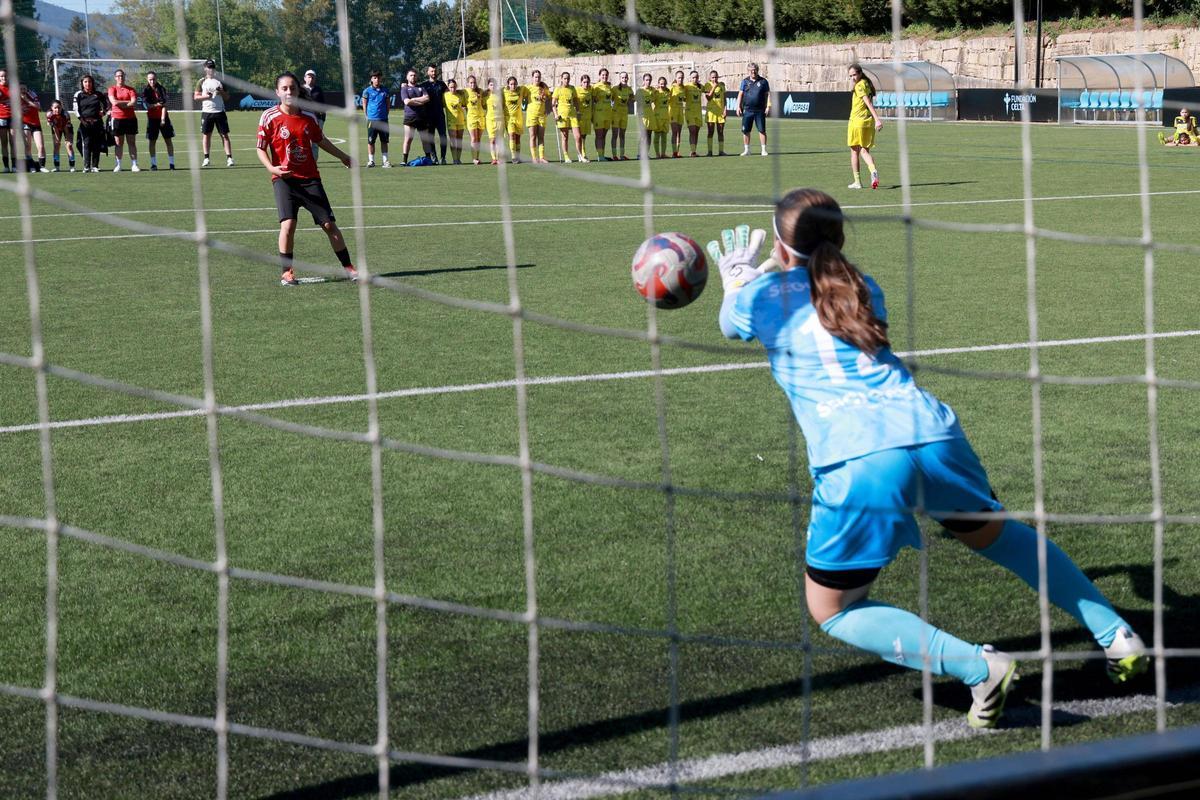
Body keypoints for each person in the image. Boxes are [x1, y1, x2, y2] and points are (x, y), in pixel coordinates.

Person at [710, 188, 1149, 729]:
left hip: (858, 459)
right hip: (932, 434)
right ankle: (1118, 635)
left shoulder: (760, 298)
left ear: (779, 247)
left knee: (835, 609)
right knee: (1002, 536)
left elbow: (731, 325)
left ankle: (978, 667)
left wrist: (737, 279)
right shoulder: (863, 288)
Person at [256, 71, 357, 287]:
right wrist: (272, 168)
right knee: (288, 224)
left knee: (329, 225)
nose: (289, 92)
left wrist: (344, 157)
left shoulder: (308, 117)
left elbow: (321, 141)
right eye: (284, 88)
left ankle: (349, 268)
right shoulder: (269, 117)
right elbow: (260, 149)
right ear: (277, 92)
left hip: (310, 179)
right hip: (284, 180)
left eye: (292, 88)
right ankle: (287, 272)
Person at [846, 63, 883, 189]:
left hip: (857, 121)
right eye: (850, 76)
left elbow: (867, 102)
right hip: (868, 122)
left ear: (860, 73)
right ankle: (873, 171)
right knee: (864, 151)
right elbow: (852, 88)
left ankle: (857, 182)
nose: (852, 78)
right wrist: (875, 120)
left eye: (854, 75)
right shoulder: (866, 83)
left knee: (854, 152)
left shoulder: (860, 85)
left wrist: (878, 119)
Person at [194, 59, 233, 167]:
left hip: (219, 111)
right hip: (207, 112)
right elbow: (196, 97)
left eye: (212, 67)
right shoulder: (201, 81)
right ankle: (206, 158)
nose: (210, 69)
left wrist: (221, 92)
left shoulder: (220, 81)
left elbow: (227, 97)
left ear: (214, 69)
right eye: (208, 67)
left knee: (224, 135)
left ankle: (229, 158)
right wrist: (206, 96)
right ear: (205, 68)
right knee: (206, 135)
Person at [73, 73, 109, 173]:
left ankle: (95, 166)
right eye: (85, 82)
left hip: (97, 123)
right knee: (86, 144)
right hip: (85, 123)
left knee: (96, 144)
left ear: (92, 83)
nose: (88, 84)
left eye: (89, 82)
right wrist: (82, 120)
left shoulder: (98, 94)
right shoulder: (78, 94)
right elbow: (76, 109)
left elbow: (107, 105)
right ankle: (86, 166)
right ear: (82, 83)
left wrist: (104, 112)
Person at [107, 69, 140, 172]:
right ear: (115, 77)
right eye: (118, 76)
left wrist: (121, 103)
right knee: (118, 143)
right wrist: (127, 103)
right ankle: (118, 165)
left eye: (122, 76)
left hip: (130, 119)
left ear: (124, 77)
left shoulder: (131, 89)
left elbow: (133, 102)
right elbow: (114, 102)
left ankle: (134, 164)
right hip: (117, 119)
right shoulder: (112, 89)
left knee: (132, 142)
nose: (120, 78)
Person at [142, 71, 175, 170]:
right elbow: (147, 105)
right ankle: (153, 164)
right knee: (152, 142)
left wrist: (163, 119)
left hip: (164, 118)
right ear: (147, 79)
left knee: (168, 140)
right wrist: (156, 105)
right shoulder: (145, 90)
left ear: (156, 79)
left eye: (154, 79)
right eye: (150, 79)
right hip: (152, 119)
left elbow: (164, 105)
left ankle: (172, 164)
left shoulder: (161, 89)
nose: (152, 81)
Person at [736, 62, 770, 157]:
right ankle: (747, 150)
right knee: (746, 130)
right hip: (747, 110)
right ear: (748, 71)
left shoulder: (763, 81)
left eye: (754, 70)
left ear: (757, 70)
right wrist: (738, 106)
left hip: (760, 110)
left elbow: (768, 94)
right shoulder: (744, 81)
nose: (753, 72)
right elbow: (740, 94)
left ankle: (763, 150)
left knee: (762, 130)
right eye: (751, 70)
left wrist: (768, 106)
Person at [361, 70, 392, 168]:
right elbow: (364, 104)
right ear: (371, 79)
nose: (377, 79)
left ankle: (385, 161)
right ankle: (371, 161)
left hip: (383, 119)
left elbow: (388, 105)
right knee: (371, 141)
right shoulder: (367, 91)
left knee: (384, 141)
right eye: (375, 78)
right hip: (372, 120)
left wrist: (385, 115)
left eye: (378, 77)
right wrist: (367, 116)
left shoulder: (385, 90)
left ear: (381, 78)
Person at [399, 68, 432, 163]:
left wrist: (413, 100)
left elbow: (427, 98)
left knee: (425, 139)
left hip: (422, 117)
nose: (413, 77)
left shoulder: (421, 88)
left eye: (414, 75)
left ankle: (428, 159)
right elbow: (407, 101)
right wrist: (420, 101)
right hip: (410, 117)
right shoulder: (404, 88)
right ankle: (404, 160)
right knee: (408, 138)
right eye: (411, 75)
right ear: (407, 77)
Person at [422, 64, 450, 164]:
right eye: (432, 71)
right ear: (428, 72)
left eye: (435, 71)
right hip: (429, 116)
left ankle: (443, 158)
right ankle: (434, 157)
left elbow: (450, 94)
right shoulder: (424, 85)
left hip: (440, 115)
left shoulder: (442, 84)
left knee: (443, 136)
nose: (434, 73)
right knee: (431, 137)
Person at [522, 69, 549, 164]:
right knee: (533, 136)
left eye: (539, 77)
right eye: (536, 77)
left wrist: (548, 109)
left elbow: (549, 98)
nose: (537, 79)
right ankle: (534, 157)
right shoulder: (527, 88)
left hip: (542, 116)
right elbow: (520, 96)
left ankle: (541, 157)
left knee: (541, 137)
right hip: (532, 115)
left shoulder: (544, 88)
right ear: (532, 78)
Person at [552, 71, 578, 164]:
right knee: (565, 137)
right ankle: (566, 156)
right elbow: (553, 104)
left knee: (577, 136)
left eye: (568, 78)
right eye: (565, 78)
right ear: (561, 79)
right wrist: (555, 114)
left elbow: (575, 100)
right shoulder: (557, 89)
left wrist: (577, 111)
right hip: (562, 116)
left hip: (572, 114)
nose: (567, 80)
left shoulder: (572, 88)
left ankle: (580, 155)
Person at [302, 70, 327, 161]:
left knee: (316, 141)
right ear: (304, 78)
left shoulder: (318, 90)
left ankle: (313, 161)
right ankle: (302, 160)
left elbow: (323, 105)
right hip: (303, 119)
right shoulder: (300, 89)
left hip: (317, 119)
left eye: (312, 77)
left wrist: (322, 119)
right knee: (302, 140)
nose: (310, 79)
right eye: (309, 77)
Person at [46, 99, 76, 172]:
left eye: (59, 107)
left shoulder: (66, 114)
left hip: (67, 128)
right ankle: (57, 167)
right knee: (56, 145)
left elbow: (66, 128)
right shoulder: (49, 114)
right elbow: (54, 127)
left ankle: (72, 167)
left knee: (69, 145)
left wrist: (68, 139)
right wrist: (57, 139)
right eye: (55, 108)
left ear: (61, 107)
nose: (57, 109)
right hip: (56, 128)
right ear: (51, 108)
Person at [703, 70, 727, 156]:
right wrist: (714, 87)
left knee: (720, 132)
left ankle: (721, 151)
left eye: (716, 77)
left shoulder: (722, 85)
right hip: (711, 112)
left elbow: (724, 99)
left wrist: (725, 110)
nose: (715, 78)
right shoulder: (707, 85)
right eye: (713, 77)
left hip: (720, 112)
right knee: (710, 132)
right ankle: (709, 151)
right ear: (710, 78)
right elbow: (708, 98)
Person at [464, 74, 486, 165]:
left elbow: (485, 102)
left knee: (478, 139)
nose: (473, 84)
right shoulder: (465, 92)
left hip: (480, 117)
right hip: (471, 118)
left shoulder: (480, 91)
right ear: (468, 83)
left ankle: (477, 157)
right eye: (471, 83)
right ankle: (474, 158)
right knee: (473, 138)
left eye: (474, 82)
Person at [443, 77, 466, 164]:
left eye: (454, 87)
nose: (453, 89)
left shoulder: (460, 95)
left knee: (459, 140)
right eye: (451, 87)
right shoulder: (445, 96)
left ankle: (459, 159)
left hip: (460, 120)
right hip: (451, 121)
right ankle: (454, 159)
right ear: (448, 87)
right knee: (453, 140)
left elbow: (465, 104)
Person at [502, 75, 524, 164]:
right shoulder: (503, 91)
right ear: (508, 85)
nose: (513, 86)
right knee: (512, 135)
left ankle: (518, 156)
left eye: (514, 84)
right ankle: (513, 156)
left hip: (518, 118)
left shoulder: (521, 90)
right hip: (509, 118)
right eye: (511, 84)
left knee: (518, 138)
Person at [611, 71, 633, 161]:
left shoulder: (629, 89)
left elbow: (632, 99)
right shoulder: (615, 89)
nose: (624, 79)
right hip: (615, 114)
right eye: (623, 77)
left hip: (624, 114)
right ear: (620, 79)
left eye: (626, 77)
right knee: (615, 134)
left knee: (622, 135)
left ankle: (622, 155)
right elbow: (610, 99)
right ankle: (614, 155)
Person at [591, 67, 612, 161]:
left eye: (606, 75)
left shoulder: (609, 86)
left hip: (608, 114)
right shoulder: (596, 87)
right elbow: (592, 100)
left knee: (604, 135)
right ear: (599, 76)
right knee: (599, 135)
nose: (605, 76)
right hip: (599, 114)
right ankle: (600, 156)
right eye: (603, 75)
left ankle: (602, 154)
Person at [572, 73, 593, 163]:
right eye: (584, 82)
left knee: (584, 137)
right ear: (581, 83)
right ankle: (580, 155)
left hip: (587, 117)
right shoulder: (576, 90)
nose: (586, 84)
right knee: (578, 137)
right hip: (578, 117)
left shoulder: (591, 90)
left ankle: (583, 154)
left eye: (587, 82)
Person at [485, 77, 505, 165]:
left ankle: (498, 158)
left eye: (494, 85)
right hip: (490, 120)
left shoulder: (500, 94)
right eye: (491, 85)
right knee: (492, 140)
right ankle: (494, 159)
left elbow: (504, 105)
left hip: (500, 120)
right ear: (488, 86)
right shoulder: (485, 95)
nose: (493, 86)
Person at [684, 70, 704, 157]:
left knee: (696, 132)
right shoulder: (686, 86)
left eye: (696, 77)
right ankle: (692, 151)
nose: (695, 79)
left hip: (698, 113)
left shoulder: (700, 87)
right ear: (690, 78)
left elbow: (708, 91)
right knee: (692, 131)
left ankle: (694, 151)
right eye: (693, 77)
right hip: (689, 112)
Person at [636, 73, 655, 158]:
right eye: (647, 80)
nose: (648, 81)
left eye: (650, 80)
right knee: (643, 136)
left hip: (650, 115)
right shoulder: (640, 91)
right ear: (643, 81)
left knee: (649, 135)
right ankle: (640, 154)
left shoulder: (653, 90)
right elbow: (637, 103)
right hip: (643, 116)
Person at [0, 69, 16, 172]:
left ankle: (14, 166)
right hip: (1, 117)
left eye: (5, 76)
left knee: (13, 142)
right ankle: (6, 167)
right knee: (4, 143)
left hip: (13, 118)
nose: (3, 78)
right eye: (1, 76)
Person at [652, 76, 671, 159]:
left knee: (664, 136)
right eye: (661, 83)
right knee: (657, 136)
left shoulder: (668, 92)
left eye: (664, 83)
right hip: (657, 117)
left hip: (666, 116)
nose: (662, 85)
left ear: (666, 84)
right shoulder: (656, 92)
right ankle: (657, 154)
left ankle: (663, 153)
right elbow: (651, 100)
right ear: (658, 84)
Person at [668, 70, 685, 157]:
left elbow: (684, 98)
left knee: (679, 133)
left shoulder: (683, 88)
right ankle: (674, 152)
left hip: (680, 112)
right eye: (679, 77)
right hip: (673, 113)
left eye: (682, 77)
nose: (681, 79)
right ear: (676, 78)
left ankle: (677, 152)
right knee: (674, 132)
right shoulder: (672, 88)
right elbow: (666, 98)